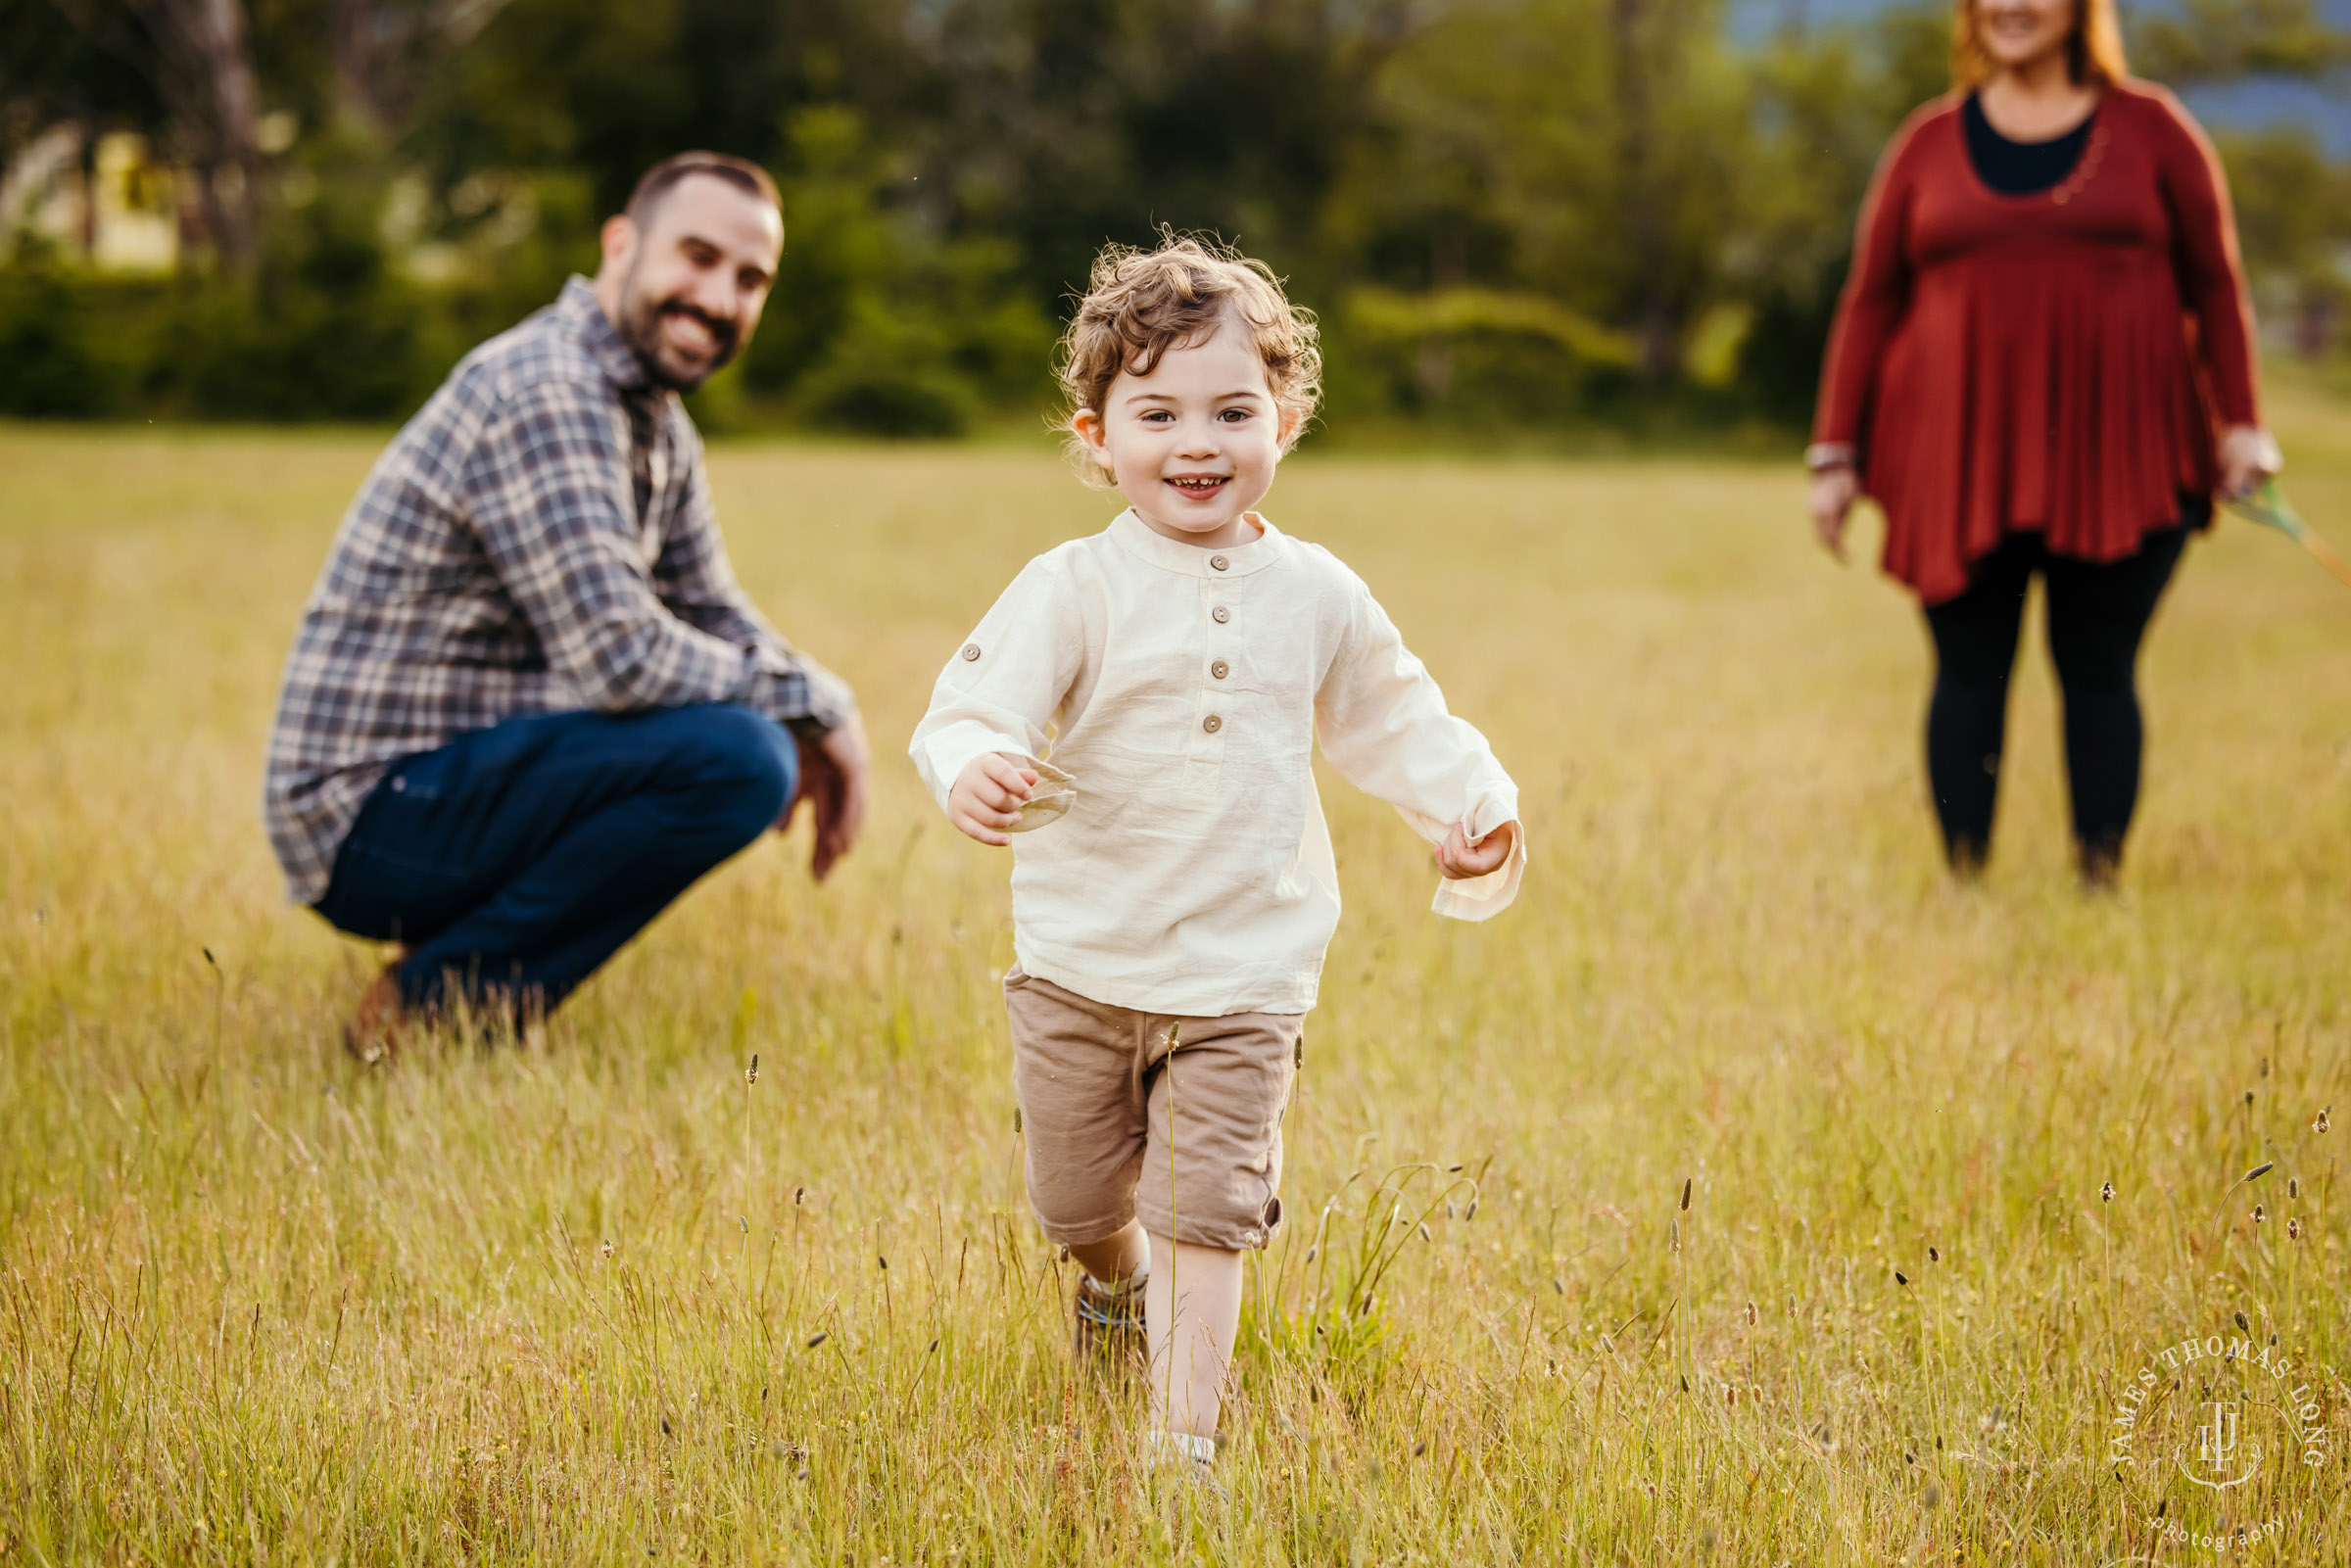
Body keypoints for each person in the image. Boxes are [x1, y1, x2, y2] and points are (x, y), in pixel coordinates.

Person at [908, 235, 1525, 1477]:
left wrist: (1471, 807)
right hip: (1082, 956)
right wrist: (972, 761)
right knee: (1079, 1205)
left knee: (1208, 1210)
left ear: (1283, 422)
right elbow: (970, 707)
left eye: (1232, 410)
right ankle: (1109, 1288)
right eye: (1159, 412)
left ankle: (1182, 1443)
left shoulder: (1318, 592)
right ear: (1097, 435)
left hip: (1248, 967)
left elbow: (1394, 714)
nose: (1198, 441)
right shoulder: (1073, 584)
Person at [264, 152, 869, 1056]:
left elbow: (710, 608)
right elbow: (621, 659)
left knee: (747, 740)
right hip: (366, 814)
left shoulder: (653, 418)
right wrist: (815, 705)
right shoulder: (549, 390)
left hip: (444, 782)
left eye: (750, 280)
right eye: (697, 257)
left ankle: (455, 982)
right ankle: (433, 1004)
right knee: (736, 756)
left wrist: (812, 706)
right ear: (620, 244)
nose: (718, 297)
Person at [1807, 0, 2278, 885]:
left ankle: (2098, 881)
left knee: (2100, 667)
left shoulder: (2153, 129)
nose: (2012, 5)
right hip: (1959, 455)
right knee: (1966, 670)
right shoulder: (1926, 141)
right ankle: (1965, 882)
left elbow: (2217, 285)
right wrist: (1835, 454)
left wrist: (2244, 425)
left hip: (2122, 453)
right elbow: (1870, 299)